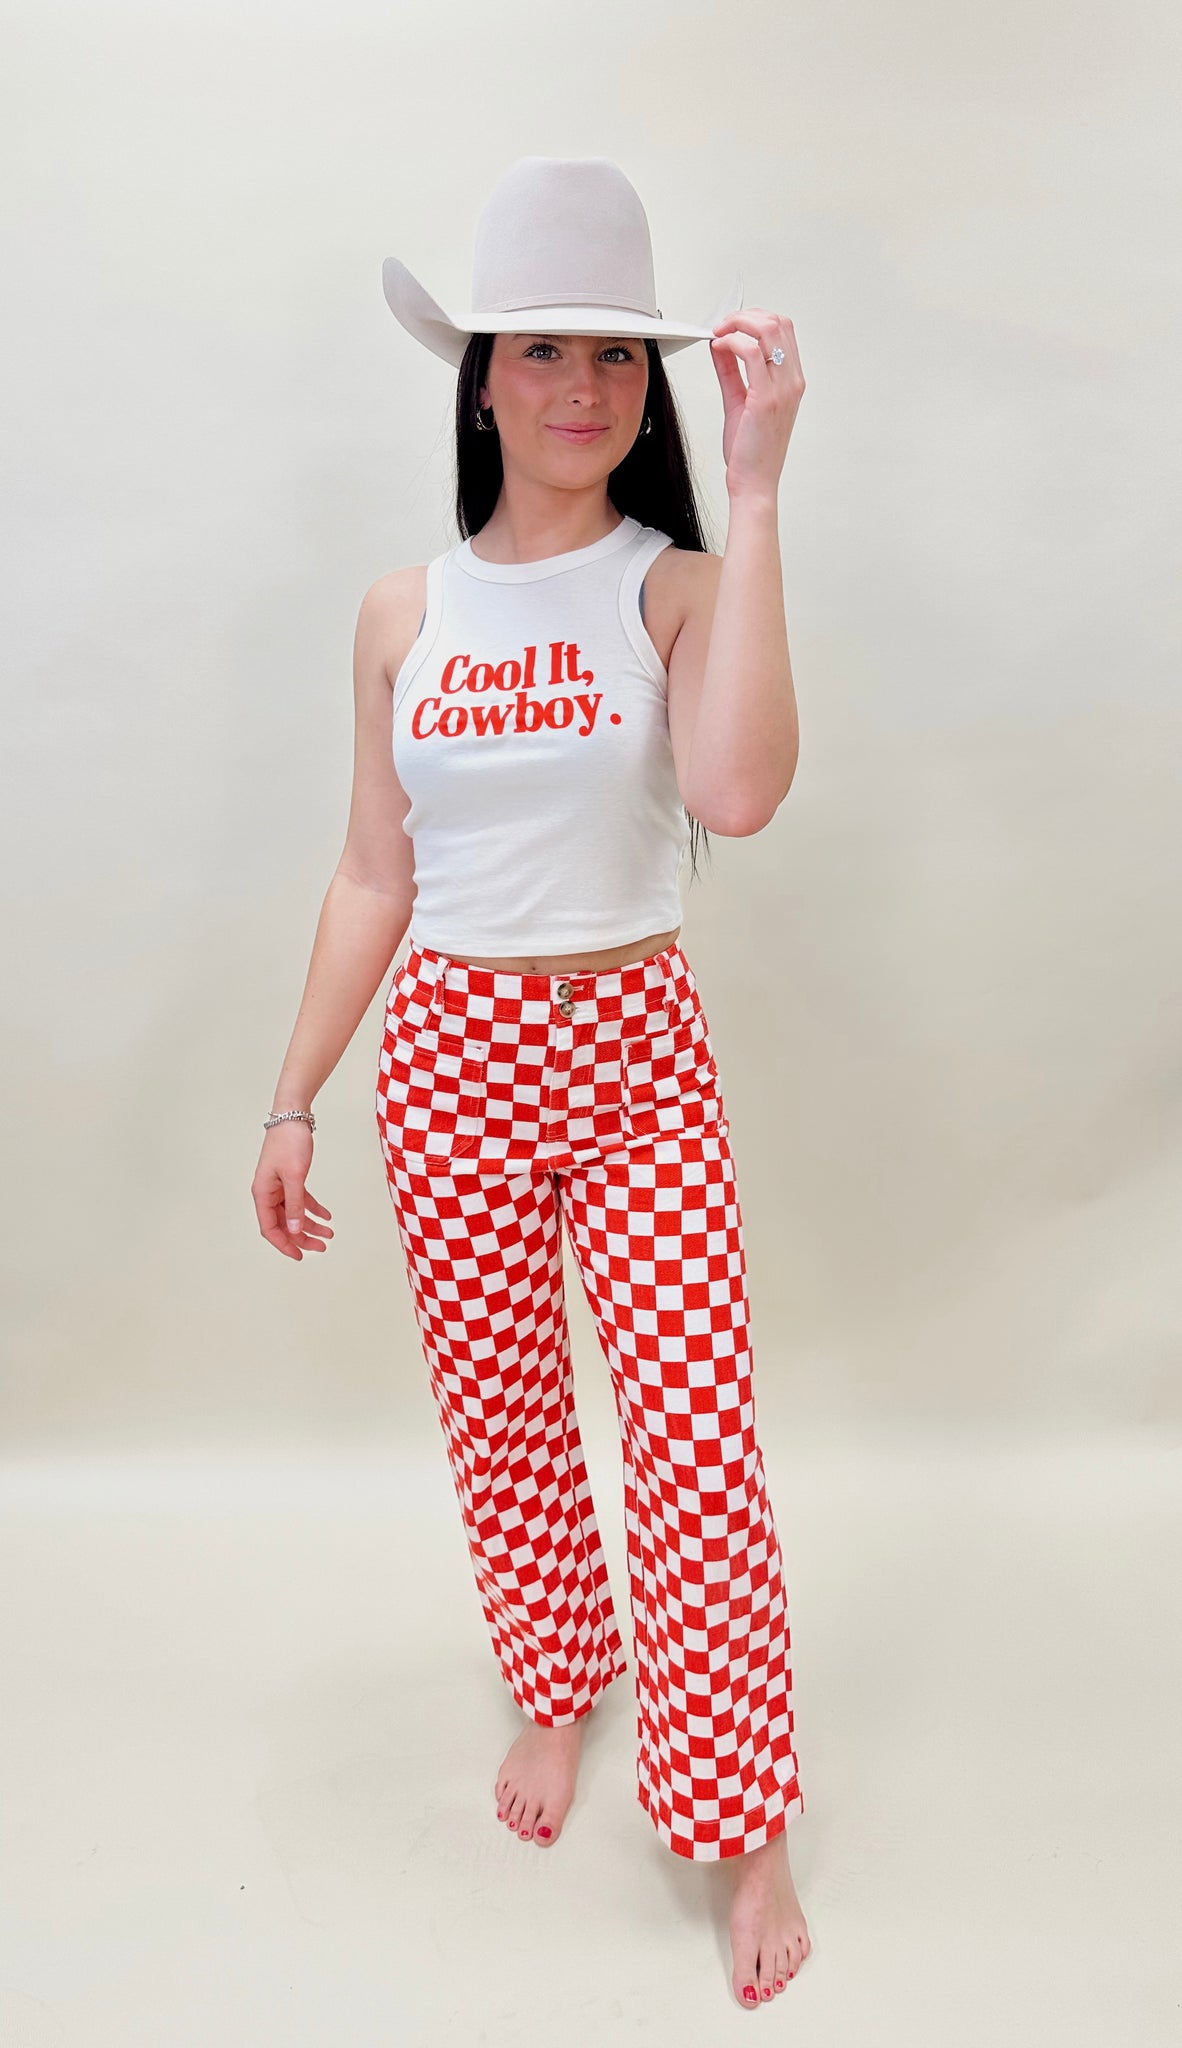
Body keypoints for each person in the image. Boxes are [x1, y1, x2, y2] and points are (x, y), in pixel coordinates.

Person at [251, 155, 809, 2010]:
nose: (582, 385)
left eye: (617, 355)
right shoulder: (400, 614)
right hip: (449, 1058)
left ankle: (742, 1824)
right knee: (502, 1419)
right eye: (544, 349)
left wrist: (754, 489)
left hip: (634, 1049)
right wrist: (293, 1095)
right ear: (481, 379)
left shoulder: (677, 587)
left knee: (693, 1443)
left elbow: (735, 796)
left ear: (651, 389)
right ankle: (560, 1684)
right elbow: (373, 874)